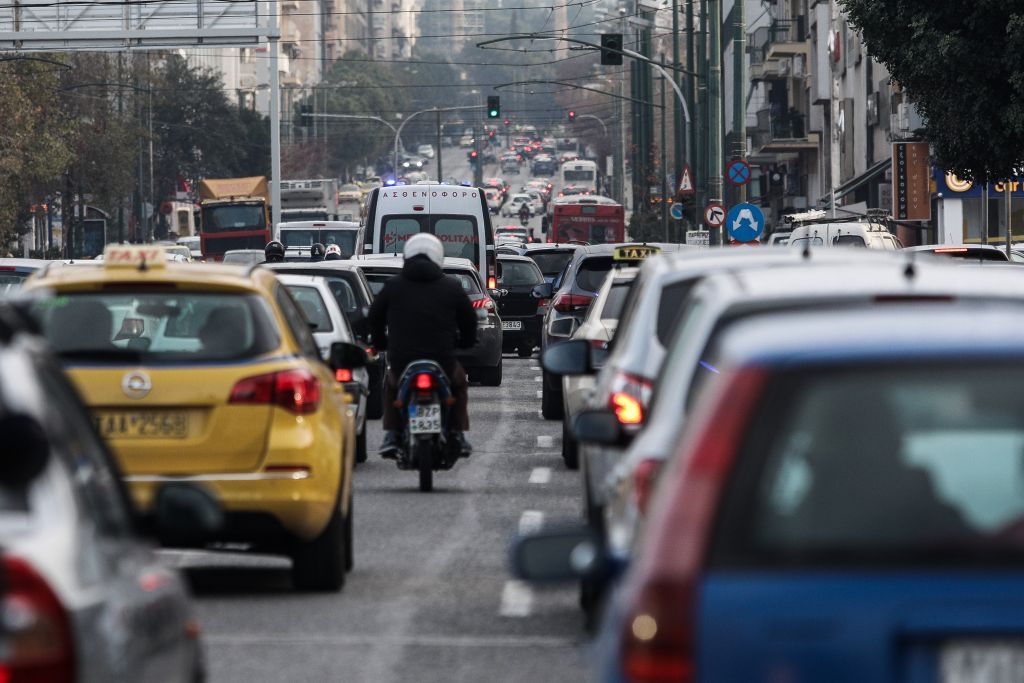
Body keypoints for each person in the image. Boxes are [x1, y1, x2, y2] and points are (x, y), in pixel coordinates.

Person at [369, 233, 476, 457]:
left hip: (402, 358)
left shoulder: (393, 286)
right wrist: (465, 342)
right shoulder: (451, 286)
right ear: (438, 258)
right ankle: (457, 433)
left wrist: (381, 343)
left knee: (391, 386)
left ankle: (392, 433)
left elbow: (375, 317)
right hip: (442, 358)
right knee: (459, 384)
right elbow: (469, 319)